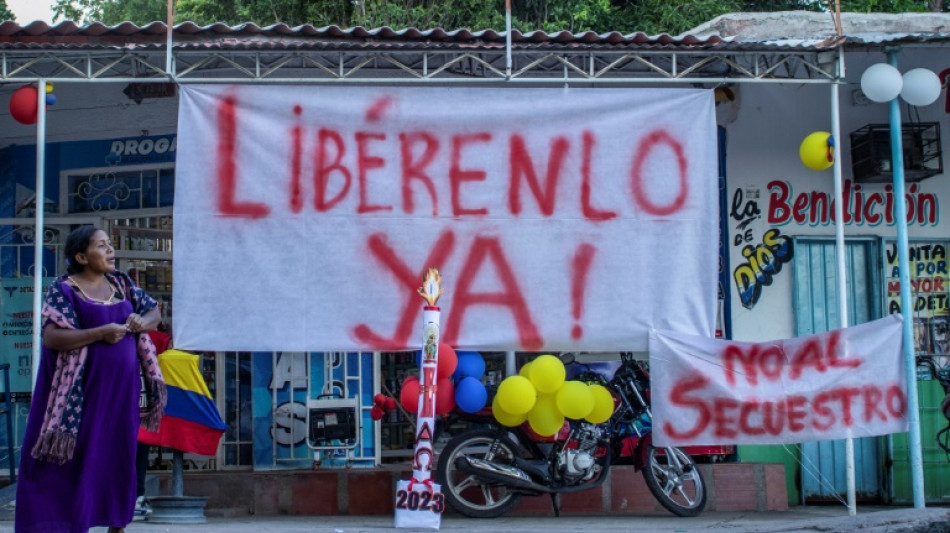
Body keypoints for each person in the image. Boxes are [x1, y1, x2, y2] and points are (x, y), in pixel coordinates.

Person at [15, 226, 167, 533]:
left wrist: (141, 321)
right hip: (78, 396)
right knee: (73, 458)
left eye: (110, 244)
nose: (111, 250)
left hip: (120, 393)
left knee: (116, 454)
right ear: (82, 256)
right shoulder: (65, 290)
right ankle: (65, 522)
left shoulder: (121, 283)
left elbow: (154, 313)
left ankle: (116, 522)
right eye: (102, 246)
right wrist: (100, 332)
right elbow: (53, 337)